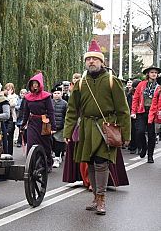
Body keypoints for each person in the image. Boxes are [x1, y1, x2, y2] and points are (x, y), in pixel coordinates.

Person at [63, 40, 130, 215]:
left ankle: (101, 199)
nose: (91, 61)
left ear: (102, 62)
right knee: (91, 163)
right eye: (88, 59)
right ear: (85, 62)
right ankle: (94, 196)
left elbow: (123, 110)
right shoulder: (80, 83)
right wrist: (68, 131)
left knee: (101, 163)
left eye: (95, 59)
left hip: (105, 127)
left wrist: (126, 134)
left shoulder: (111, 81)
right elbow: (72, 110)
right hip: (86, 127)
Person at [20, 72, 56, 169]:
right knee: (31, 143)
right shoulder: (27, 97)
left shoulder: (46, 96)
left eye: (36, 83)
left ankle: (47, 162)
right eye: (33, 84)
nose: (35, 86)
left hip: (44, 122)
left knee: (45, 144)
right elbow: (26, 112)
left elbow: (51, 111)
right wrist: (23, 125)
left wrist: (53, 126)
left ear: (40, 84)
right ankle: (32, 164)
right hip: (32, 123)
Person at [131, 65, 160, 163]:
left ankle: (150, 156)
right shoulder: (141, 84)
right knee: (139, 132)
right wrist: (133, 111)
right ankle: (144, 147)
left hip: (153, 113)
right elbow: (135, 98)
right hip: (141, 111)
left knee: (152, 135)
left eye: (155, 73)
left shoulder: (159, 86)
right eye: (152, 72)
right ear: (148, 74)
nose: (154, 74)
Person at [51, 86, 68, 168]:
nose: (56, 95)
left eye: (58, 93)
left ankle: (57, 158)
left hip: (60, 127)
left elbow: (67, 116)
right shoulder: (50, 102)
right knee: (51, 142)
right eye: (55, 93)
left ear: (61, 94)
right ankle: (53, 156)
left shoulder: (65, 103)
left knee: (59, 143)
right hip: (50, 126)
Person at [3, 82, 18, 155]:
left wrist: (8, 96)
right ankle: (4, 152)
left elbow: (13, 104)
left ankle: (10, 153)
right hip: (4, 118)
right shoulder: (2, 96)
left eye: (10, 89)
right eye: (7, 89)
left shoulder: (14, 96)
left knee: (10, 136)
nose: (8, 90)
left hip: (12, 118)